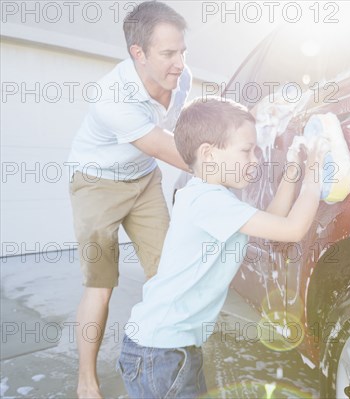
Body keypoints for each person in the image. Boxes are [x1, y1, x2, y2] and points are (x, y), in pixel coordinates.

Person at [117, 97, 330, 398]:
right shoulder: (208, 202)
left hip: (170, 348)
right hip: (160, 353)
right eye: (246, 150)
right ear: (209, 154)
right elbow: (292, 229)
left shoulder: (213, 196)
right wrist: (315, 172)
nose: (255, 159)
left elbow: (274, 220)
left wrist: (294, 166)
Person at [67, 2, 191, 397]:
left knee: (167, 275)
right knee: (101, 284)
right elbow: (168, 149)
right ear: (138, 53)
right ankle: (87, 381)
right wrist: (234, 166)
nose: (179, 62)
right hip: (97, 182)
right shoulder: (113, 95)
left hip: (142, 179)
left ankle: (168, 366)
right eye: (168, 54)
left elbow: (182, 132)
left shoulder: (182, 78)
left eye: (182, 50)